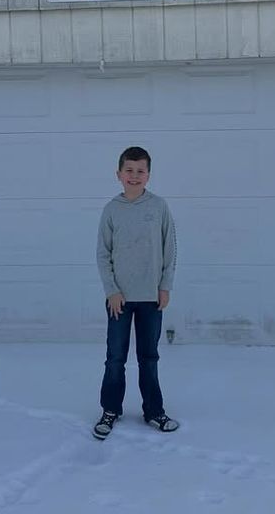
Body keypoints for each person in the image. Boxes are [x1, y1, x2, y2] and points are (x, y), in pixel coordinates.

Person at [93, 146, 179, 440]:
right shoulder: (111, 210)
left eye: (140, 171)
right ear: (118, 174)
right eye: (129, 170)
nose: (134, 176)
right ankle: (110, 410)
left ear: (149, 175)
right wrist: (112, 290)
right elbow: (103, 254)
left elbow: (170, 248)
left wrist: (165, 285)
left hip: (151, 297)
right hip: (119, 299)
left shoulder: (158, 207)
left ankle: (154, 411)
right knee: (115, 357)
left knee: (149, 357)